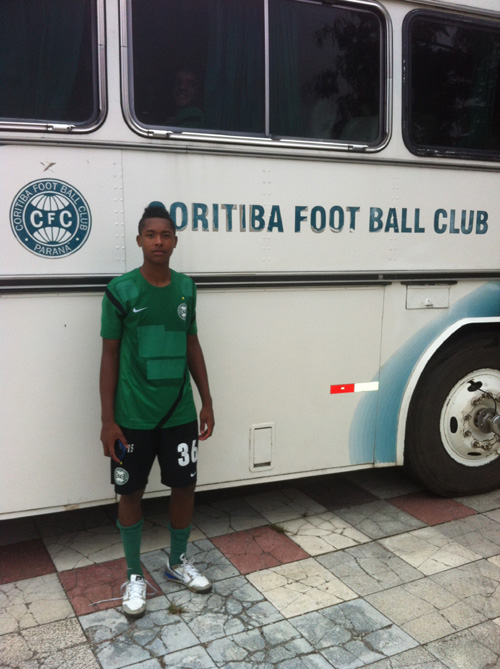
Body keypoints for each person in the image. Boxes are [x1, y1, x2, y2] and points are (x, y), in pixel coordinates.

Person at [99, 201, 215, 619]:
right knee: (129, 491)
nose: (159, 242)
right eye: (151, 235)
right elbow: (109, 356)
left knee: (184, 486)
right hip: (132, 418)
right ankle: (133, 574)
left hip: (179, 413)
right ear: (139, 240)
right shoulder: (120, 290)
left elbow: (191, 345)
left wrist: (207, 401)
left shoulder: (186, 287)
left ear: (175, 241)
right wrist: (108, 420)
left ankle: (177, 562)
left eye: (166, 235)